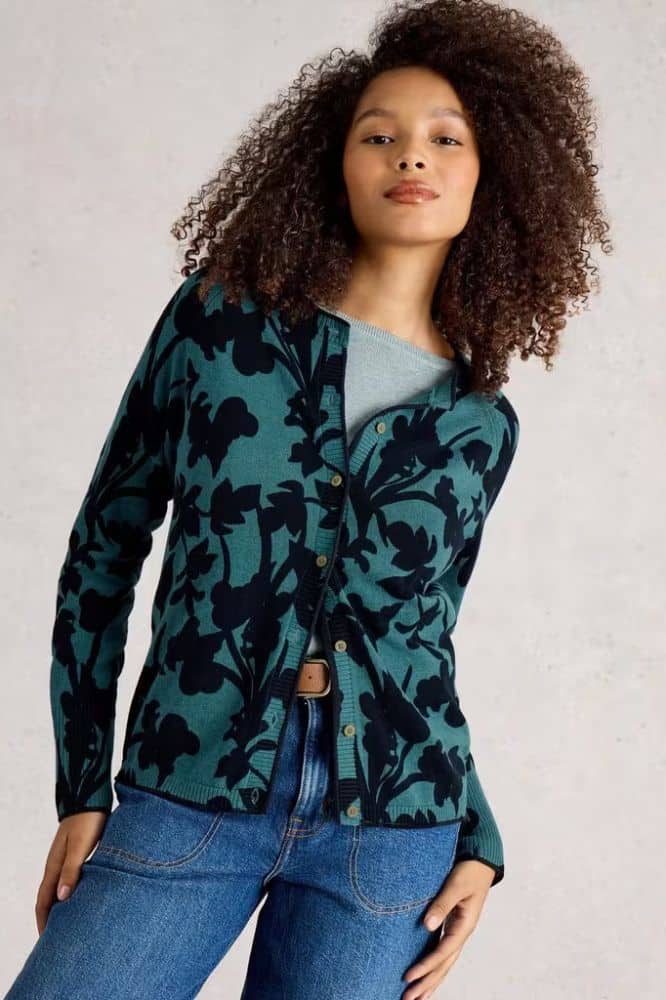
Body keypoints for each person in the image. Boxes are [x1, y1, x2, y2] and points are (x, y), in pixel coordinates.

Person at [7, 1, 612, 997]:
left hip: (392, 839)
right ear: (332, 164)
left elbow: (418, 640)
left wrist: (479, 835)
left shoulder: (482, 426)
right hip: (189, 788)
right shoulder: (218, 324)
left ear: (492, 175)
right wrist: (80, 784)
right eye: (378, 134)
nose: (409, 155)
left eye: (446, 138)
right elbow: (103, 549)